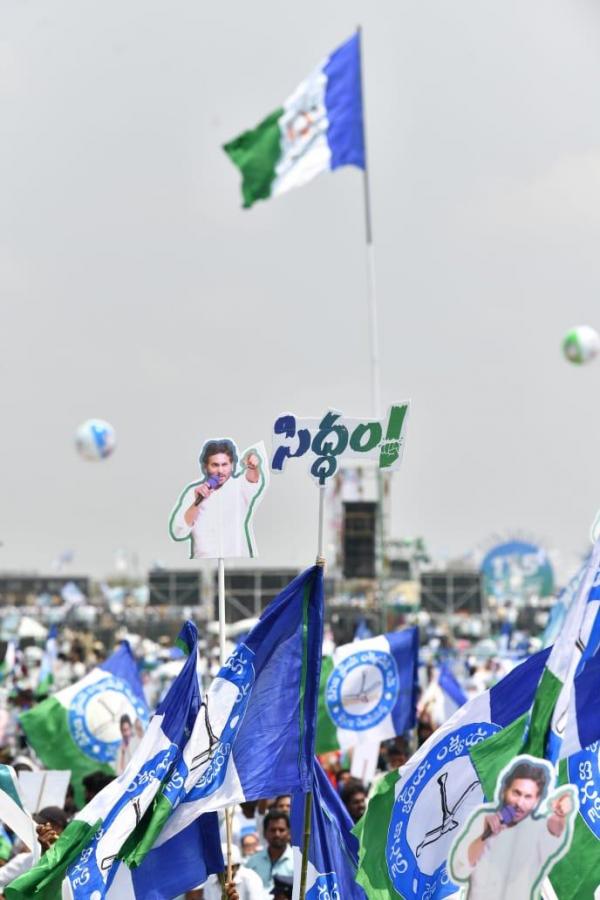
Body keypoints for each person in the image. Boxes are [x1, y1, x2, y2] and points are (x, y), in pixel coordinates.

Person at [450, 760, 576, 899]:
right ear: (505, 791)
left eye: (528, 797)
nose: (519, 803)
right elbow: (459, 870)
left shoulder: (537, 829)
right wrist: (484, 837)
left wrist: (560, 813)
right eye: (516, 793)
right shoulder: (484, 819)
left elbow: (554, 832)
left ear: (536, 800)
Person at [170, 440, 265, 559]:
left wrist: (253, 466)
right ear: (206, 467)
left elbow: (252, 480)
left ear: (232, 465)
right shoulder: (194, 492)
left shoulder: (239, 486)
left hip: (234, 561)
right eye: (215, 465)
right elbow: (178, 532)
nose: (220, 471)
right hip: (206, 562)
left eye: (224, 464)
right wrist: (196, 503)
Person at [244, 810, 293, 892]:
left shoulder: (298, 862)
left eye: (281, 830)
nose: (277, 834)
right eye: (273, 830)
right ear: (264, 833)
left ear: (289, 833)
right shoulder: (252, 862)